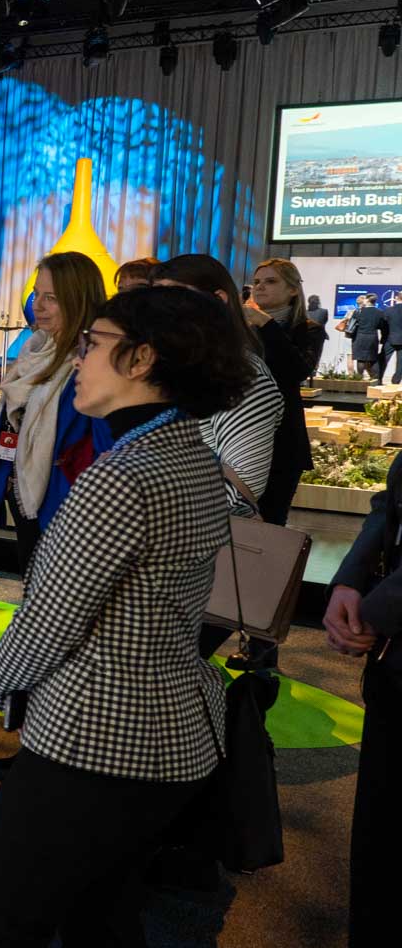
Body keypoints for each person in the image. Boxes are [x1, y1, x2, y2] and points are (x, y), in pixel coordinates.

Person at [0, 286, 250, 948]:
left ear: (142, 357)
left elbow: (46, 623)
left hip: (98, 740)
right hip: (174, 735)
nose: (80, 358)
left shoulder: (123, 475)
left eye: (93, 344)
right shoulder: (194, 455)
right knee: (104, 919)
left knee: (2, 921)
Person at [153, 255, 288, 671]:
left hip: (197, 563)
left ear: (218, 300)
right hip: (160, 557)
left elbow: (242, 485)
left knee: (163, 681)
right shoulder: (178, 368)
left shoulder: (243, 378)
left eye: (177, 299)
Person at [0, 252, 111, 570]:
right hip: (26, 494)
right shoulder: (35, 350)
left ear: (78, 300)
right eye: (37, 294)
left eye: (52, 298)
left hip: (68, 505)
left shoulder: (94, 360)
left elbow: (101, 443)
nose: (38, 305)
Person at [322, 456, 402, 948]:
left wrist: (372, 614)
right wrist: (351, 579)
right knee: (379, 851)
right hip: (391, 670)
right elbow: (388, 503)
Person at [248, 258, 325, 522]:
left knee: (270, 524)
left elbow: (297, 370)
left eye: (271, 281)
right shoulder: (241, 329)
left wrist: (266, 324)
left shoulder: (308, 329)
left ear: (293, 289)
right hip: (240, 434)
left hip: (282, 440)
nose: (260, 287)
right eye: (257, 282)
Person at [341, 294, 385, 379]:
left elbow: (351, 325)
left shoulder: (358, 311)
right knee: (373, 359)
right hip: (372, 337)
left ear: (367, 300)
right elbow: (381, 326)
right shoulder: (380, 312)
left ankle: (359, 378)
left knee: (360, 359)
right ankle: (376, 380)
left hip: (359, 337)